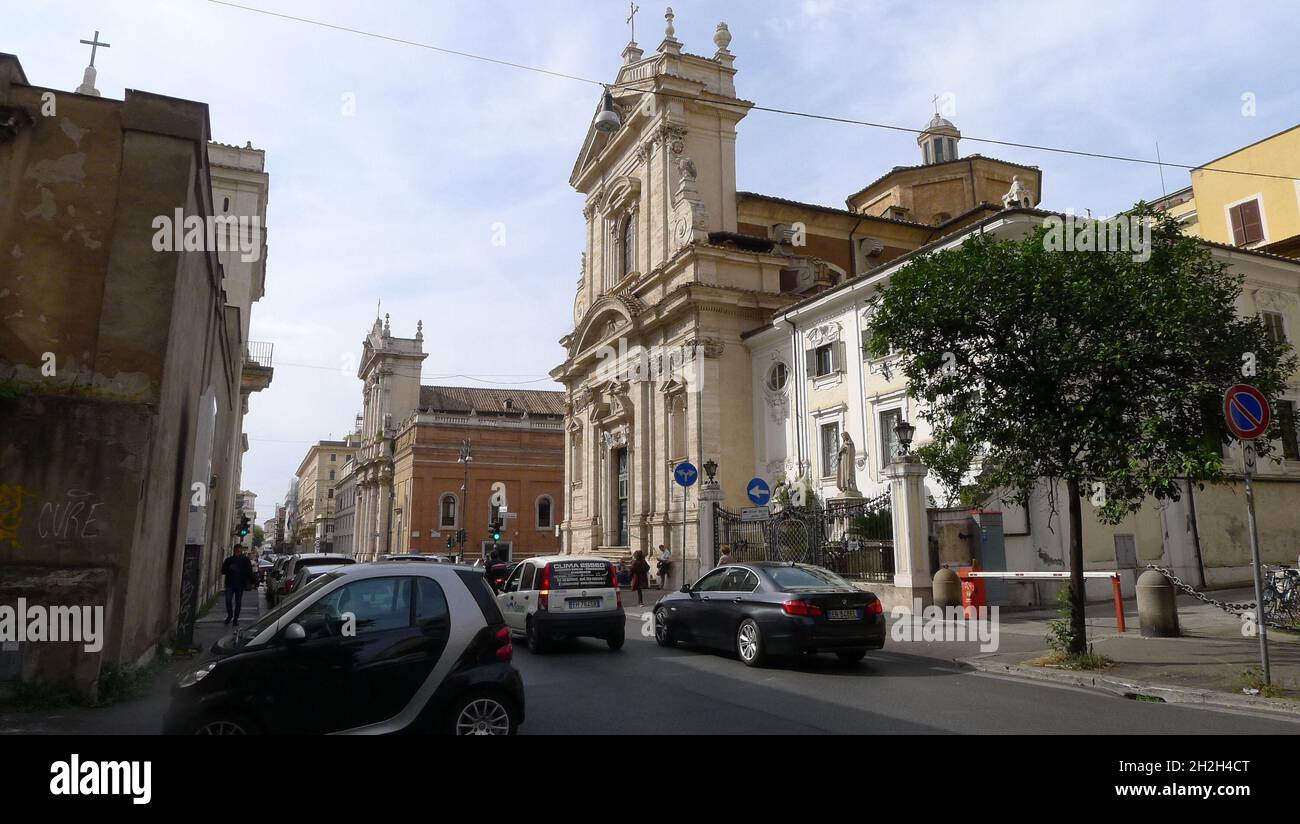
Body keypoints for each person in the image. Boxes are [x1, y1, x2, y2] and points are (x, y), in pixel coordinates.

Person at [221, 544, 256, 626]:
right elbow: (223, 571)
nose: (237, 551)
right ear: (234, 550)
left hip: (240, 584)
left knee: (238, 602)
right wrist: (229, 568)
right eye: (236, 550)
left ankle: (235, 619)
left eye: (239, 550)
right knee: (228, 600)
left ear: (241, 551)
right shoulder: (229, 560)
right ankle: (230, 615)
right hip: (230, 584)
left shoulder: (245, 560)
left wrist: (252, 582)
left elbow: (249, 572)